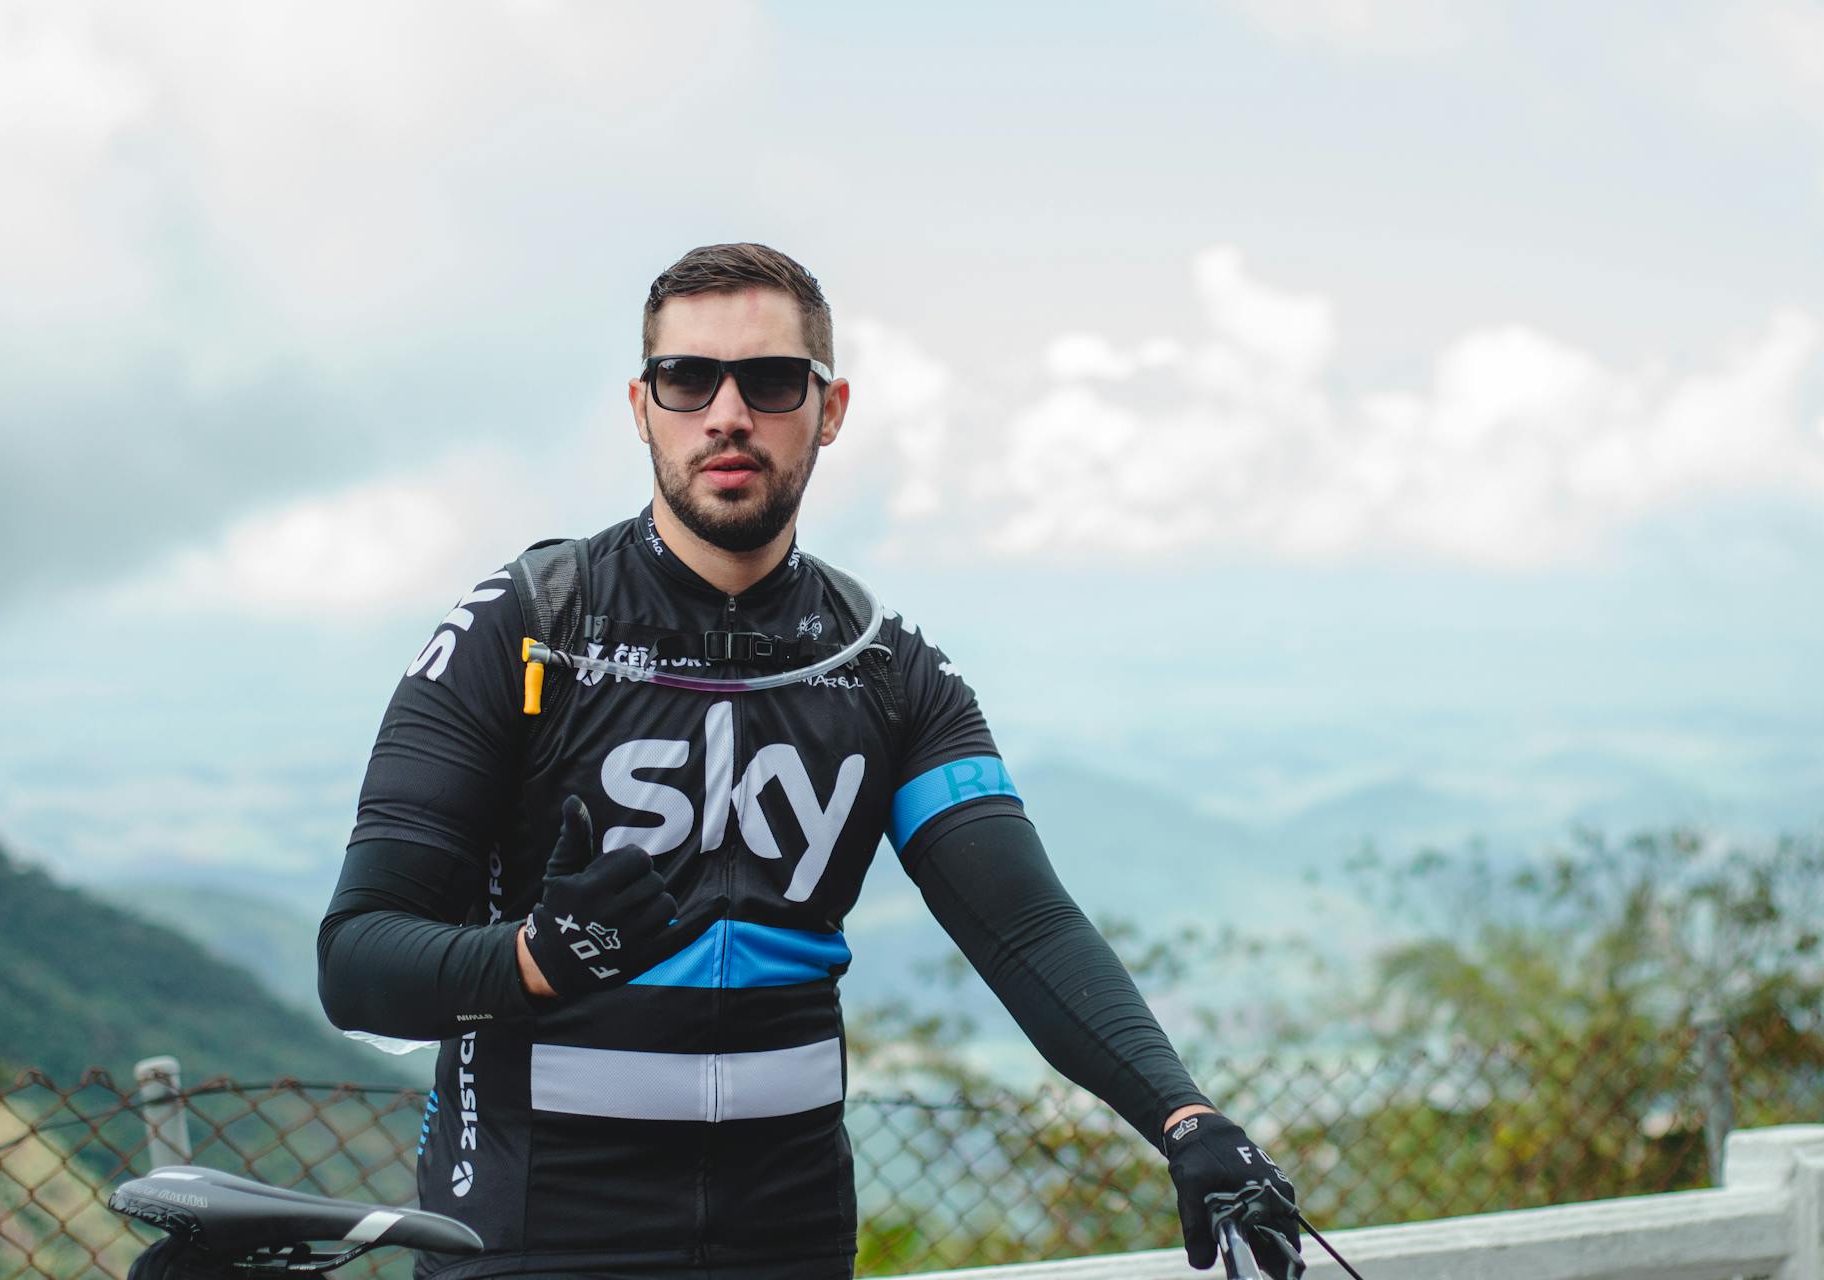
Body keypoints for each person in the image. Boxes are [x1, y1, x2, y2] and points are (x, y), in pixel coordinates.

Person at [317, 243, 1302, 1279]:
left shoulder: (884, 666)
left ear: (828, 410)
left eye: (771, 380)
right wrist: (534, 956)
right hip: (536, 1224)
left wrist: (1184, 1114)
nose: (727, 412)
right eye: (687, 378)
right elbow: (358, 958)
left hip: (786, 1228)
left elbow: (1023, 924)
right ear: (641, 406)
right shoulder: (526, 626)